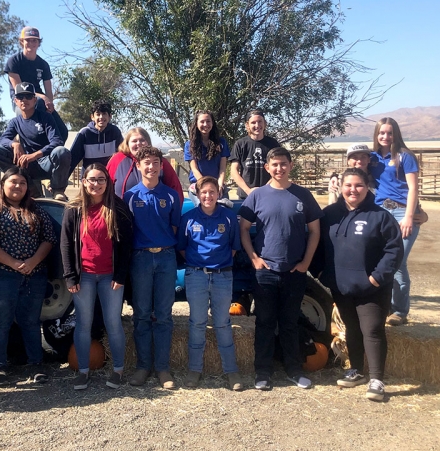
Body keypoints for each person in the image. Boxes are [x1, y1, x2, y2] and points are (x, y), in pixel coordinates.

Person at [239, 147, 322, 391]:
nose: (279, 168)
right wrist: (254, 258)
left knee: (290, 322)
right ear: (267, 168)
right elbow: (244, 229)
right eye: (274, 165)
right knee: (264, 322)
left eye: (283, 164)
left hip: (294, 271)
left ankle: (294, 370)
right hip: (265, 271)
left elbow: (315, 231)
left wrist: (306, 262)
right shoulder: (257, 196)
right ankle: (262, 372)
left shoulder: (303, 195)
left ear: (290, 165)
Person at [317, 168, 404, 401]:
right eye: (348, 185)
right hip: (341, 286)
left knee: (372, 330)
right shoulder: (329, 214)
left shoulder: (380, 216)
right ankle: (356, 371)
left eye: (358, 185)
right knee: (352, 329)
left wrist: (376, 277)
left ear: (367, 188)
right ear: (340, 187)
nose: (353, 190)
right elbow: (316, 245)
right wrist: (321, 273)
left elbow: (394, 251)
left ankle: (377, 380)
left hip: (372, 289)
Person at [0, 167, 57, 385]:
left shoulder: (36, 210)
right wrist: (14, 263)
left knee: (31, 322)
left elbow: (48, 239)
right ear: (2, 184)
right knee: (0, 322)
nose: (18, 186)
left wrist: (32, 262)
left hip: (34, 274)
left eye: (22, 183)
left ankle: (35, 364)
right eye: (13, 182)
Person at [61, 163, 133, 390]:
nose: (96, 184)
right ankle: (83, 371)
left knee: (113, 323)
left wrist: (121, 275)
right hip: (85, 277)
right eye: (92, 179)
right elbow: (65, 244)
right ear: (84, 182)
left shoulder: (118, 208)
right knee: (84, 323)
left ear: (107, 182)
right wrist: (70, 276)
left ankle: (118, 370)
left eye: (101, 179)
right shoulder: (73, 208)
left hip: (111, 276)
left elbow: (126, 245)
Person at [123, 146, 182, 389]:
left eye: (155, 162)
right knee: (142, 314)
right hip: (141, 260)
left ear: (161, 165)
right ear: (138, 165)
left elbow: (175, 228)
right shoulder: (129, 197)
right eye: (146, 162)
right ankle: (142, 367)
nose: (151, 167)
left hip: (166, 258)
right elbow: (127, 232)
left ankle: (163, 368)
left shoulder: (170, 195)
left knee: (164, 315)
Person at [177, 176, 243, 390]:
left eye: (212, 192)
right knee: (197, 322)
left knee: (222, 322)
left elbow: (233, 247)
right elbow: (183, 248)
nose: (208, 196)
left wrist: (218, 265)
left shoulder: (229, 217)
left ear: (219, 193)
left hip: (223, 276)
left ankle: (231, 371)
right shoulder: (188, 219)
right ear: (197, 193)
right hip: (196, 276)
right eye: (203, 192)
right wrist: (200, 265)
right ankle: (194, 370)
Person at [370, 118, 422, 326]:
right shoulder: (373, 157)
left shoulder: (405, 156)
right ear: (376, 135)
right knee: (380, 259)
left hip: (402, 212)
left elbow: (413, 188)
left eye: (389, 133)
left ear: (396, 134)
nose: (385, 137)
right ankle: (384, 306)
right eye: (381, 133)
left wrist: (410, 216)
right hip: (380, 212)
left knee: (398, 260)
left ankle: (400, 310)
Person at [0, 82, 71, 201]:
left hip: (46, 163)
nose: (24, 100)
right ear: (15, 101)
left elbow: (57, 141)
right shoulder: (14, 122)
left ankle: (57, 190)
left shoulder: (45, 117)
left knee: (61, 151)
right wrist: (14, 144)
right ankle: (30, 189)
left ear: (34, 100)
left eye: (28, 97)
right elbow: (2, 140)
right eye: (20, 97)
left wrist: (35, 155)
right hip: (26, 166)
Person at [3, 26, 68, 141]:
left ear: (38, 43)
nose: (31, 43)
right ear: (22, 41)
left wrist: (50, 104)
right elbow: (19, 89)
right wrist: (43, 97)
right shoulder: (13, 61)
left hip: (40, 103)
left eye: (34, 40)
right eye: (28, 40)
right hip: (21, 101)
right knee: (38, 105)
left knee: (62, 132)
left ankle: (52, 155)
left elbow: (48, 90)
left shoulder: (43, 64)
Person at [107, 127, 184, 202]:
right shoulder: (117, 160)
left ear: (148, 142)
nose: (138, 143)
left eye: (142, 140)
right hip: (123, 212)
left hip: (155, 212)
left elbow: (176, 189)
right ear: (127, 143)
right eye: (134, 141)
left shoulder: (160, 161)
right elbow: (105, 187)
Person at [229, 109, 280, 199]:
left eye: (260, 121)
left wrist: (264, 190)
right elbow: (234, 171)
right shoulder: (240, 144)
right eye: (253, 122)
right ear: (247, 125)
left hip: (268, 195)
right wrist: (248, 191)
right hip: (245, 196)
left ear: (265, 123)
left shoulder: (273, 144)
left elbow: (277, 170)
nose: (257, 125)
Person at [183, 110, 230, 206]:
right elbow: (194, 169)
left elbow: (222, 168)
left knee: (223, 208)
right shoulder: (189, 145)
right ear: (196, 124)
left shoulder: (221, 142)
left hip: (218, 186)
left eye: (208, 121)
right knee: (204, 207)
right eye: (202, 121)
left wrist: (219, 185)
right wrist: (206, 186)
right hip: (198, 186)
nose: (205, 124)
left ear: (212, 123)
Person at [69, 99, 123, 175]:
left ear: (110, 116)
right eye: (98, 114)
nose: (101, 117)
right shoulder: (84, 133)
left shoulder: (115, 132)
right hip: (89, 179)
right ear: (92, 117)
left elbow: (123, 154)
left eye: (104, 114)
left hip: (109, 178)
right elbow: (73, 158)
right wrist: (61, 182)